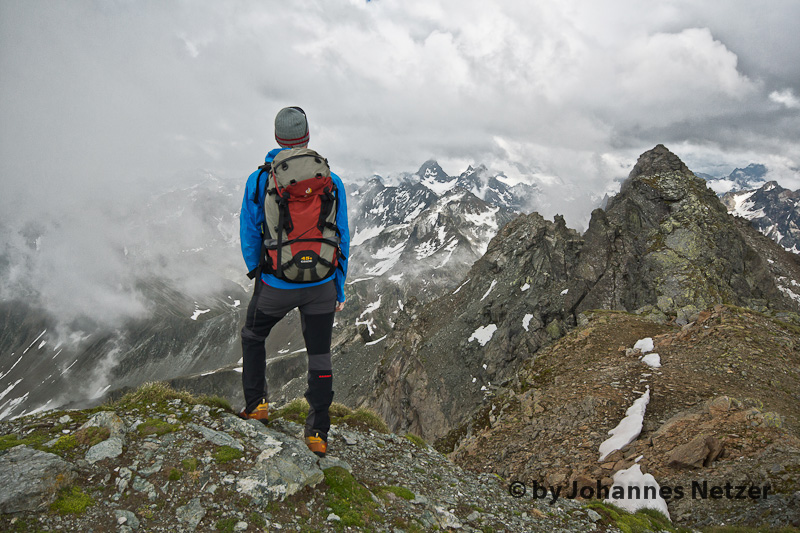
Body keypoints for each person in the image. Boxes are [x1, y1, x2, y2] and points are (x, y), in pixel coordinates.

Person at [239, 106, 349, 457]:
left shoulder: (260, 180)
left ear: (277, 138)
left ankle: (257, 405)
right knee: (320, 354)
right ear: (307, 137)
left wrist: (261, 271)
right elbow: (342, 236)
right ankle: (317, 432)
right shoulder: (331, 179)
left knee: (253, 335)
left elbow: (249, 232)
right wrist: (339, 286)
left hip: (276, 283)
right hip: (321, 282)